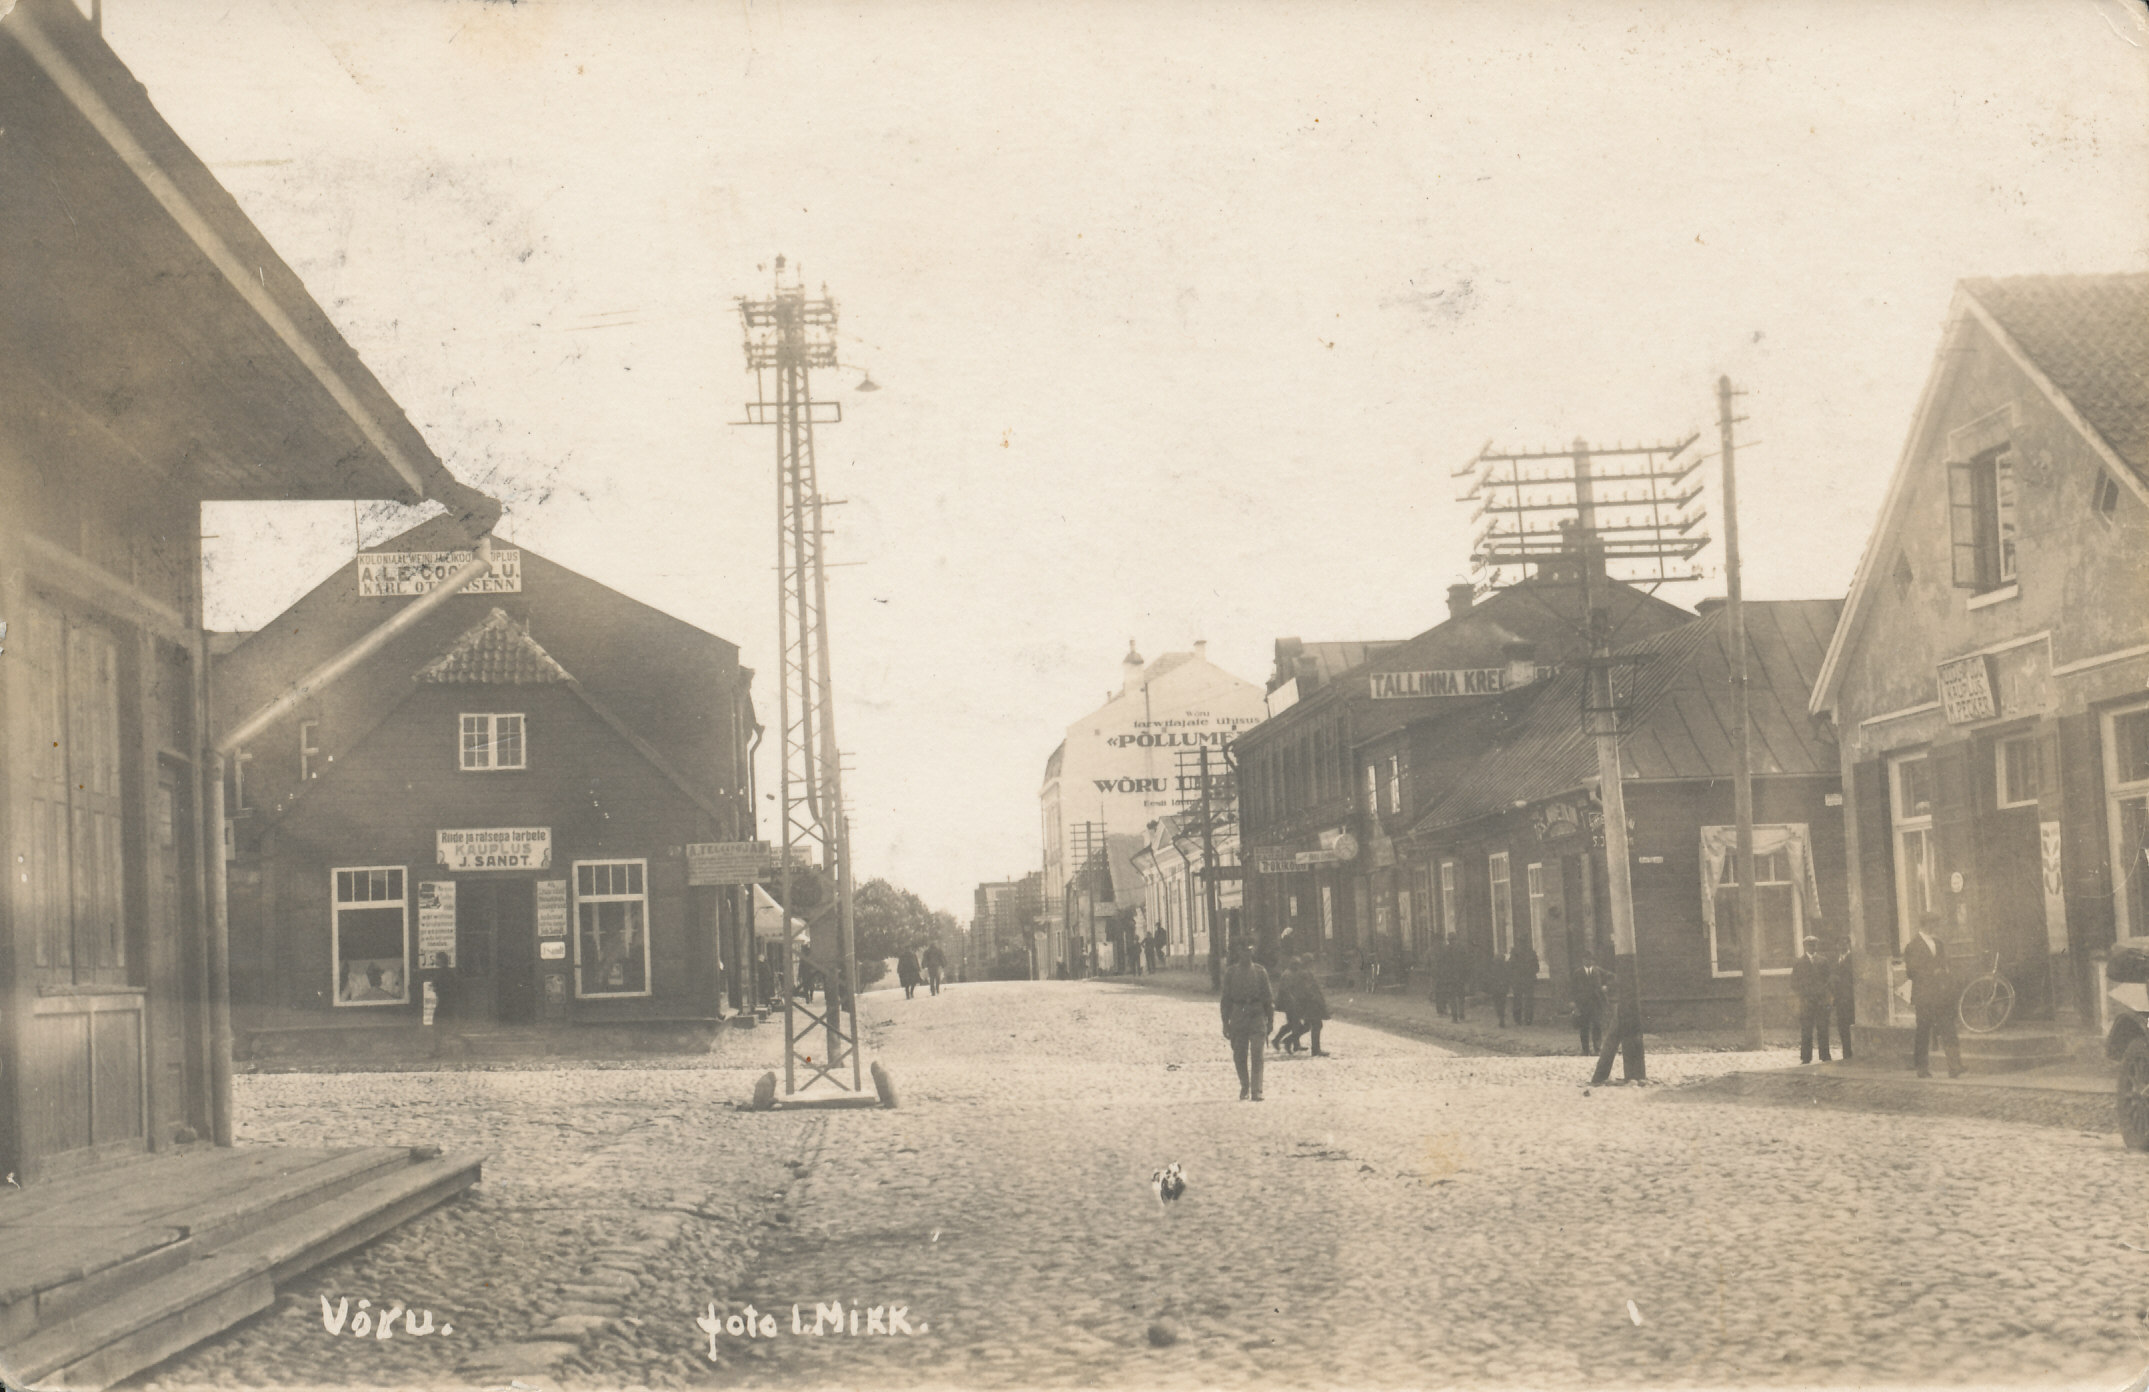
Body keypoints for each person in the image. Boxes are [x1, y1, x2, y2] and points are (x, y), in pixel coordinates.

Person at [1903, 927, 1964, 1079]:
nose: (1936, 926)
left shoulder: (1938, 943)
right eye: (1933, 923)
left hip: (1940, 994)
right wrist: (1932, 973)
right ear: (1925, 925)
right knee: (1923, 1031)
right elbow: (1911, 972)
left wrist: (1944, 972)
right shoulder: (1912, 946)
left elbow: (1944, 964)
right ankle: (1922, 1068)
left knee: (1948, 1026)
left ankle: (1954, 1066)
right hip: (1923, 996)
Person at [1220, 942, 1274, 1101]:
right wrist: (1225, 1022)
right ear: (1238, 953)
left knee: (1257, 1052)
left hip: (1257, 1014)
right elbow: (1225, 1000)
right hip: (1238, 1014)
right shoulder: (1231, 973)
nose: (1246, 954)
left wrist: (1270, 1020)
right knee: (1239, 1054)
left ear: (1252, 952)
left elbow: (1268, 998)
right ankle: (1245, 1085)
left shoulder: (1260, 972)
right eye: (1243, 951)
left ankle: (1257, 1090)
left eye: (1249, 951)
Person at [1792, 935, 1833, 1063]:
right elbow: (1793, 982)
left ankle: (1825, 1055)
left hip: (1821, 1001)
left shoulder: (1823, 961)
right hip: (1806, 1001)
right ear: (1804, 947)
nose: (1812, 947)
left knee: (1823, 1028)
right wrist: (1802, 994)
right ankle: (1806, 1057)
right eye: (1809, 945)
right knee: (1806, 1030)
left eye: (1814, 944)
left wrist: (1826, 995)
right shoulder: (1798, 963)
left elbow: (1829, 980)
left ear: (1817, 946)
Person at [1571, 956, 1606, 1056]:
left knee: (1597, 1025)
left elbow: (1610, 977)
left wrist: (1606, 986)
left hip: (1596, 1003)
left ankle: (1597, 1048)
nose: (1588, 961)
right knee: (1584, 1027)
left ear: (1593, 961)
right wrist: (1573, 1002)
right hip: (1583, 1004)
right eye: (1586, 959)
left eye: (1590, 959)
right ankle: (1585, 1050)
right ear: (1583, 960)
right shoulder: (1577, 973)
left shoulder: (1598, 971)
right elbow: (1572, 988)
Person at [1831, 941, 1856, 1062]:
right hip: (1839, 999)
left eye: (1844, 944)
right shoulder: (1835, 960)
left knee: (1851, 1023)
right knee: (1842, 1026)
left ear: (1848, 945)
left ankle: (1853, 1051)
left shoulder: (1853, 959)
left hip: (1851, 999)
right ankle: (1846, 1052)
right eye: (1839, 944)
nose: (1841, 946)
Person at [1509, 937, 1540, 1026]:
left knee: (1518, 999)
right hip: (1528, 980)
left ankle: (1518, 1019)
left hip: (1518, 980)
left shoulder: (1514, 953)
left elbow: (1511, 966)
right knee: (1528, 1000)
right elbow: (1536, 967)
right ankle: (1528, 1019)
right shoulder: (1531, 953)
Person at [1484, 942, 1511, 1027]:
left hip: (1495, 989)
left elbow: (1489, 979)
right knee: (1502, 1003)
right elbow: (1508, 978)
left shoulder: (1492, 968)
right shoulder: (1505, 967)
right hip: (1502, 988)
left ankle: (1500, 1017)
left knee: (1497, 1003)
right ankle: (1501, 1017)